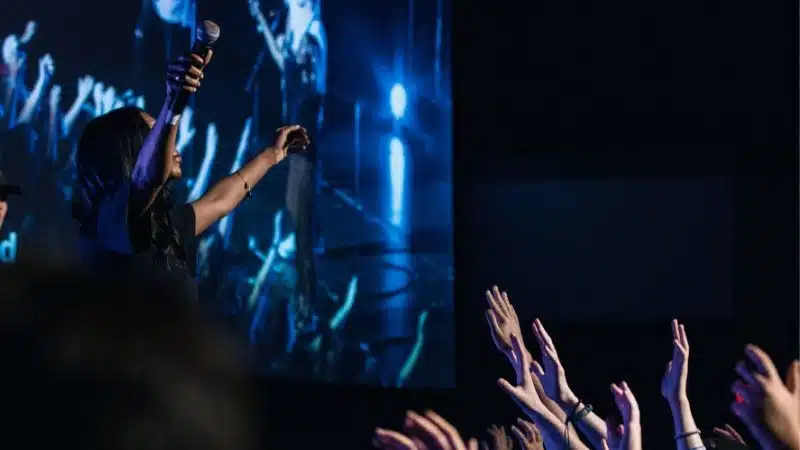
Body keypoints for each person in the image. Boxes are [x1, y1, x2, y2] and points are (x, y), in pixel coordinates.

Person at [72, 50, 309, 303]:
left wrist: (272, 155)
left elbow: (218, 201)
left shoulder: (165, 228)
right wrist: (175, 100)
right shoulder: (110, 221)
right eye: (156, 133)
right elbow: (146, 178)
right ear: (127, 150)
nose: (171, 143)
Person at [248, 0, 327, 332]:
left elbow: (307, 77)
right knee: (296, 218)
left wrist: (298, 53)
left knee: (301, 226)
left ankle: (306, 306)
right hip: (295, 147)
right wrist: (264, 27)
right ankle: (304, 303)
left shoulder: (313, 38)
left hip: (305, 149)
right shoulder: (299, 41)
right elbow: (284, 64)